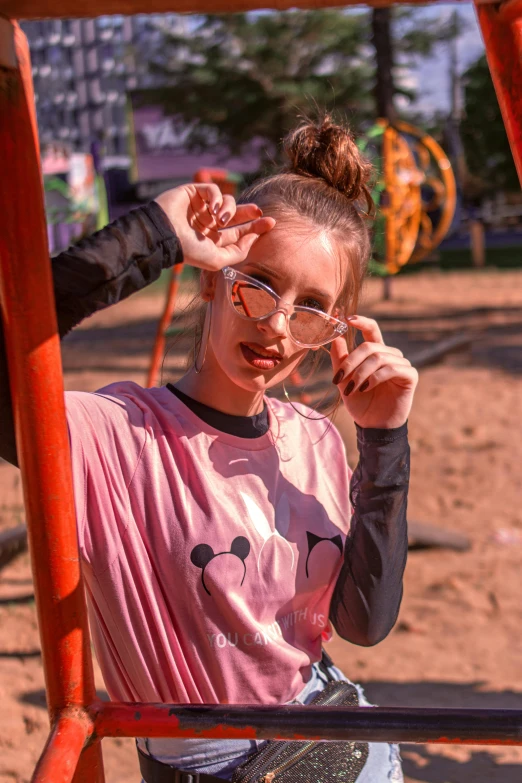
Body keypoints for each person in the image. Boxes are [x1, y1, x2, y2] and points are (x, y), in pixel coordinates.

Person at [0, 116, 416, 782]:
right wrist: (153, 238)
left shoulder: (313, 438)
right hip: (209, 762)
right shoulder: (116, 436)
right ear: (212, 274)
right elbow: (11, 343)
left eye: (311, 307)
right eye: (259, 282)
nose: (277, 325)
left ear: (334, 329)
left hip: (336, 739)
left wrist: (386, 440)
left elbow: (363, 624)